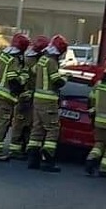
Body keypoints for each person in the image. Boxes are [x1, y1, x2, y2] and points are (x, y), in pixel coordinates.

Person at [0, 32, 30, 160]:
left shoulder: (4, 54)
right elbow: (12, 79)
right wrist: (23, 79)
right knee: (2, 123)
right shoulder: (15, 59)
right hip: (5, 96)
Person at [25, 34, 68, 173]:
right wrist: (65, 78)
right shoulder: (52, 62)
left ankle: (33, 160)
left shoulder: (42, 59)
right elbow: (56, 81)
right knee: (52, 129)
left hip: (37, 99)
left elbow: (34, 71)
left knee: (37, 129)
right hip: (48, 100)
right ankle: (48, 160)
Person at [10, 34, 47, 157]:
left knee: (27, 123)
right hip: (26, 97)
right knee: (21, 123)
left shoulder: (28, 58)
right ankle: (16, 148)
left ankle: (22, 147)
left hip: (29, 97)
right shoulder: (32, 62)